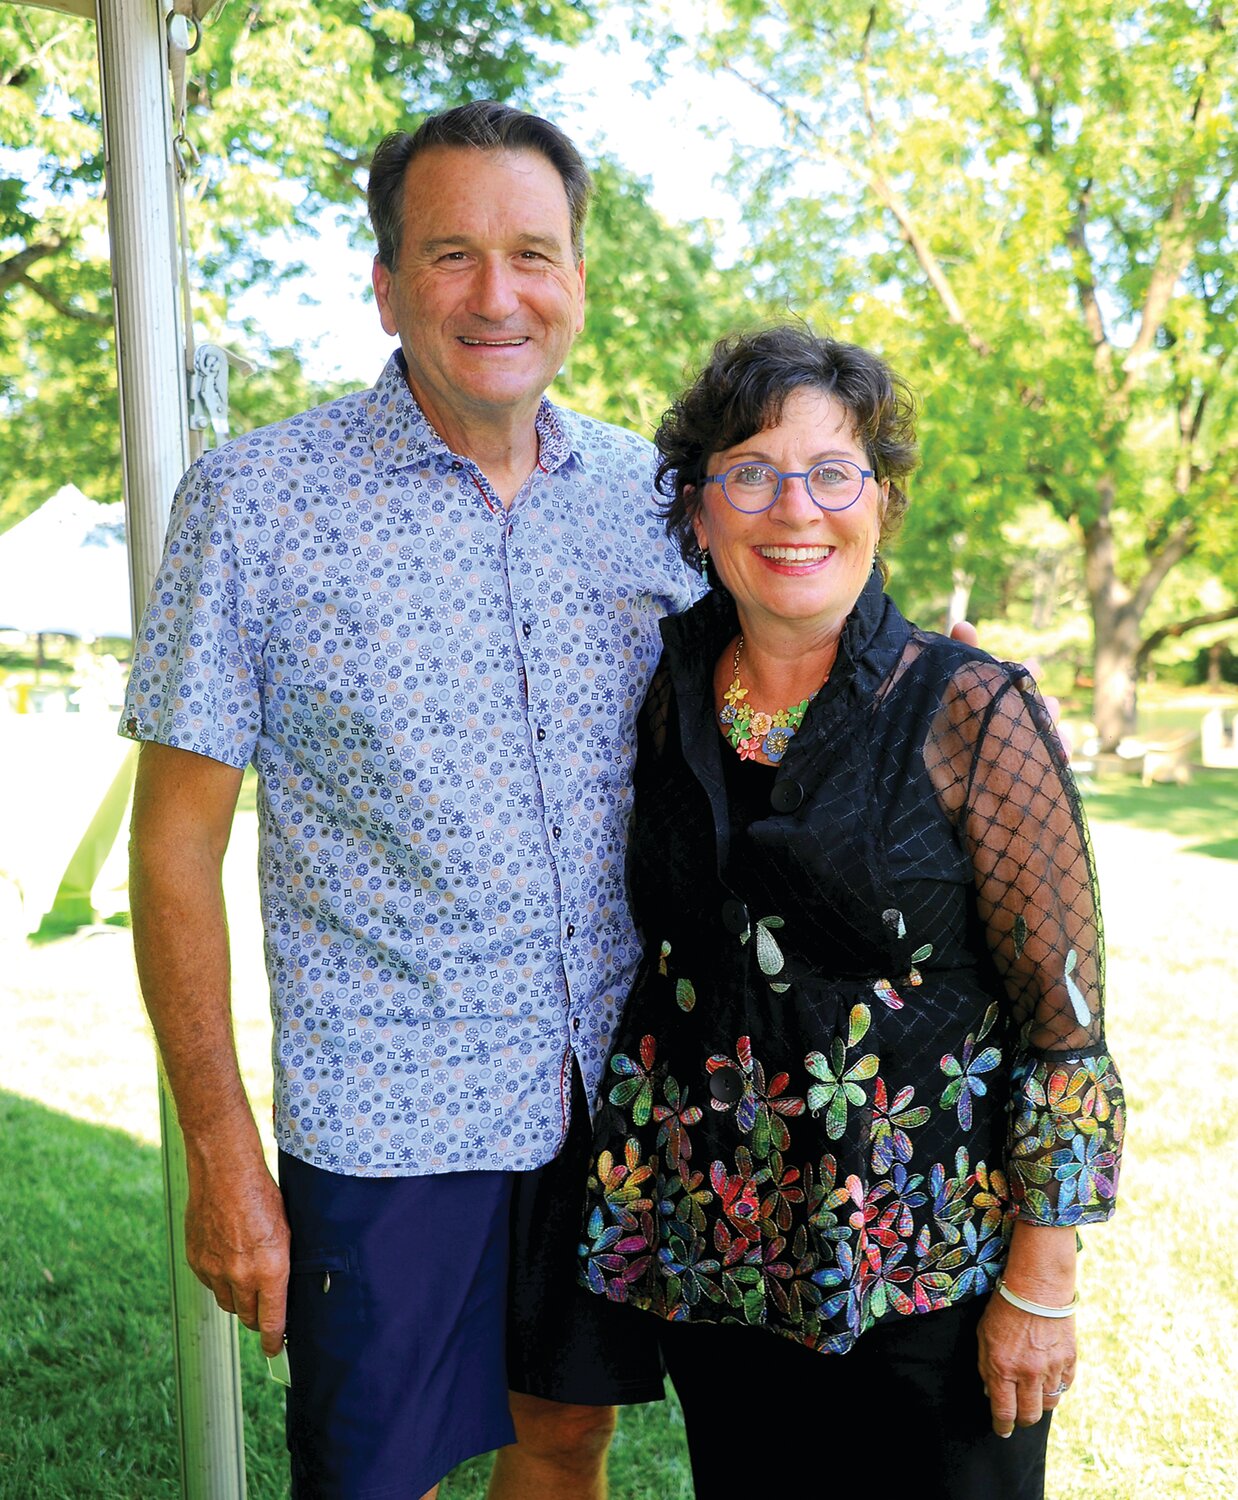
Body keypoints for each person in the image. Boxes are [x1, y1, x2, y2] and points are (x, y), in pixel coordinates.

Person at [121, 101, 698, 1500]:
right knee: (370, 1476)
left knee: (566, 1437)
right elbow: (175, 850)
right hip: (385, 1115)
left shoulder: (653, 500)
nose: (495, 295)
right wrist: (218, 1149)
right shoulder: (255, 503)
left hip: (606, 1093)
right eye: (449, 255)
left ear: (576, 279)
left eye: (530, 253)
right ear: (385, 286)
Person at [578, 326, 1125, 1498]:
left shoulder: (970, 708)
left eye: (833, 471)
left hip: (930, 1268)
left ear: (879, 500)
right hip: (719, 1257)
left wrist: (1040, 1275)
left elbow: (1065, 1022)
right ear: (697, 510)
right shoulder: (665, 697)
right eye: (750, 472)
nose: (795, 509)